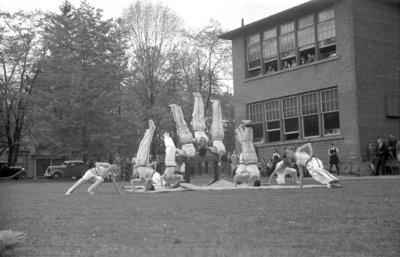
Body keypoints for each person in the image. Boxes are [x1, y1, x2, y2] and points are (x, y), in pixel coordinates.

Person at [130, 120, 159, 191]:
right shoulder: (149, 179)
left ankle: (149, 130)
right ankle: (152, 129)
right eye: (148, 186)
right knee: (146, 145)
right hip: (144, 162)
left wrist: (133, 189)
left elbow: (132, 181)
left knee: (141, 144)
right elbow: (147, 179)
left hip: (138, 162)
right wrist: (145, 189)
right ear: (150, 186)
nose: (147, 185)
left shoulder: (141, 180)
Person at [233, 120, 260, 186]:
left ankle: (249, 127)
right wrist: (235, 186)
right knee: (245, 142)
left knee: (249, 141)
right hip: (248, 160)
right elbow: (236, 177)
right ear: (253, 183)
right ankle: (247, 126)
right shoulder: (250, 175)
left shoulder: (258, 175)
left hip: (254, 159)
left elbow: (250, 182)